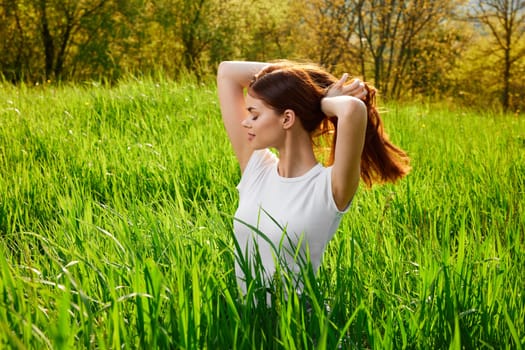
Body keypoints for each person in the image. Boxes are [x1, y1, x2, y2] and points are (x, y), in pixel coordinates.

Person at [217, 60, 410, 298]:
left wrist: (319, 99)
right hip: (244, 322)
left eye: (255, 115)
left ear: (287, 119)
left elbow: (351, 110)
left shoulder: (328, 187)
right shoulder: (257, 169)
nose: (245, 122)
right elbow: (227, 72)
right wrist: (310, 88)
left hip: (297, 327)